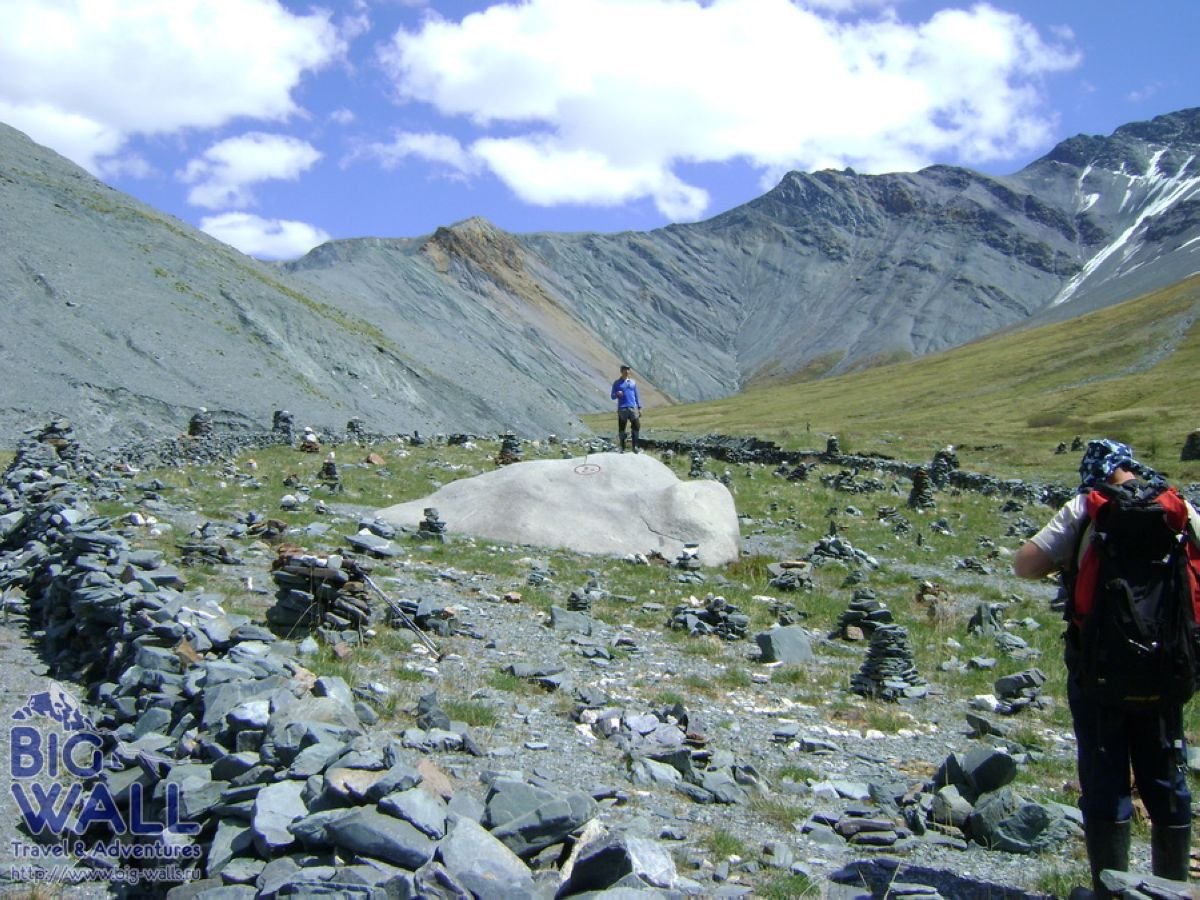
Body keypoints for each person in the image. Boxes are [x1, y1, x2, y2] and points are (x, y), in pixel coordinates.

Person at [1013, 439, 1200, 895]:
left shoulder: (1086, 505)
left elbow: (1024, 565)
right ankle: (1172, 888)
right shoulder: (1178, 507)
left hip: (1100, 667)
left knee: (1105, 774)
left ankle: (1108, 889)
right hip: (1165, 666)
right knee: (1164, 773)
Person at [610, 364, 642, 453]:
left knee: (636, 426)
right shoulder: (617, 383)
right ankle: (622, 447)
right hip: (622, 408)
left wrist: (639, 407)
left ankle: (635, 446)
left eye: (628, 370)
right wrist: (617, 394)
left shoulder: (633, 382)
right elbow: (612, 396)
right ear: (621, 371)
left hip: (633, 407)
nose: (626, 371)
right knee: (622, 428)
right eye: (625, 370)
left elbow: (636, 395)